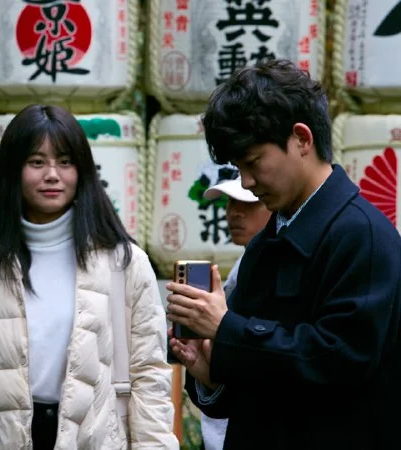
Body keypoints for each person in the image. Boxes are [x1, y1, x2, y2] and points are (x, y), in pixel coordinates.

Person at [167, 59, 401, 449]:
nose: (246, 181)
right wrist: (211, 372)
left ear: (301, 139)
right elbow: (255, 387)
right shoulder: (266, 242)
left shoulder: (364, 236)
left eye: (253, 162)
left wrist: (228, 330)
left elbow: (340, 363)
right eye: (238, 166)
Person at [0, 104, 178, 450]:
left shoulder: (123, 263)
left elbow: (149, 376)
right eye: (36, 162)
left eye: (65, 162)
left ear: (82, 171)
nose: (53, 175)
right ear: (13, 171)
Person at [195, 177, 271, 450]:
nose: (234, 212)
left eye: (247, 203)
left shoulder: (271, 267)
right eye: (230, 202)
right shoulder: (244, 263)